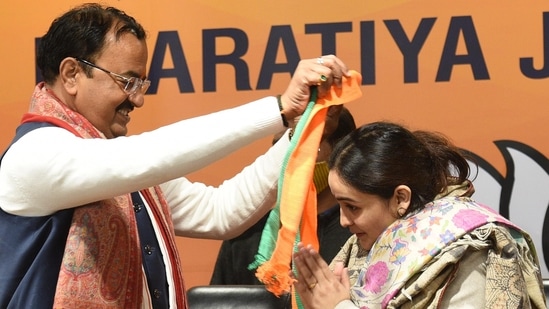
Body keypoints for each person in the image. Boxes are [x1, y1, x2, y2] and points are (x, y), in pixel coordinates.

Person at [0, 3, 352, 309]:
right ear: (72, 74)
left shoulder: (116, 166)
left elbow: (220, 212)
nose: (137, 100)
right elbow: (147, 156)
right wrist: (277, 109)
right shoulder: (34, 155)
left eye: (142, 84)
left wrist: (300, 128)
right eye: (126, 81)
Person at [290, 121, 547, 308]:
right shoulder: (362, 249)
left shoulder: (467, 251)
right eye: (340, 207)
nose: (344, 221)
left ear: (401, 198)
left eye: (353, 207)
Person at [209, 106, 356, 286]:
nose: (290, 157)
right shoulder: (245, 231)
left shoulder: (359, 231)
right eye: (284, 145)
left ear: (341, 155)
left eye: (304, 146)